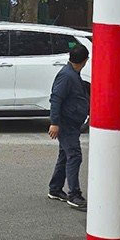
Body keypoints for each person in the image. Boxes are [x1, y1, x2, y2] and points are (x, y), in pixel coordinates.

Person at [47, 43, 91, 210]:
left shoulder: (72, 73)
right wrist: (55, 123)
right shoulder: (67, 76)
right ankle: (74, 194)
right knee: (74, 156)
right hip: (66, 123)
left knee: (65, 155)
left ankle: (55, 188)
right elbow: (56, 99)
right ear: (85, 60)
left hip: (70, 121)